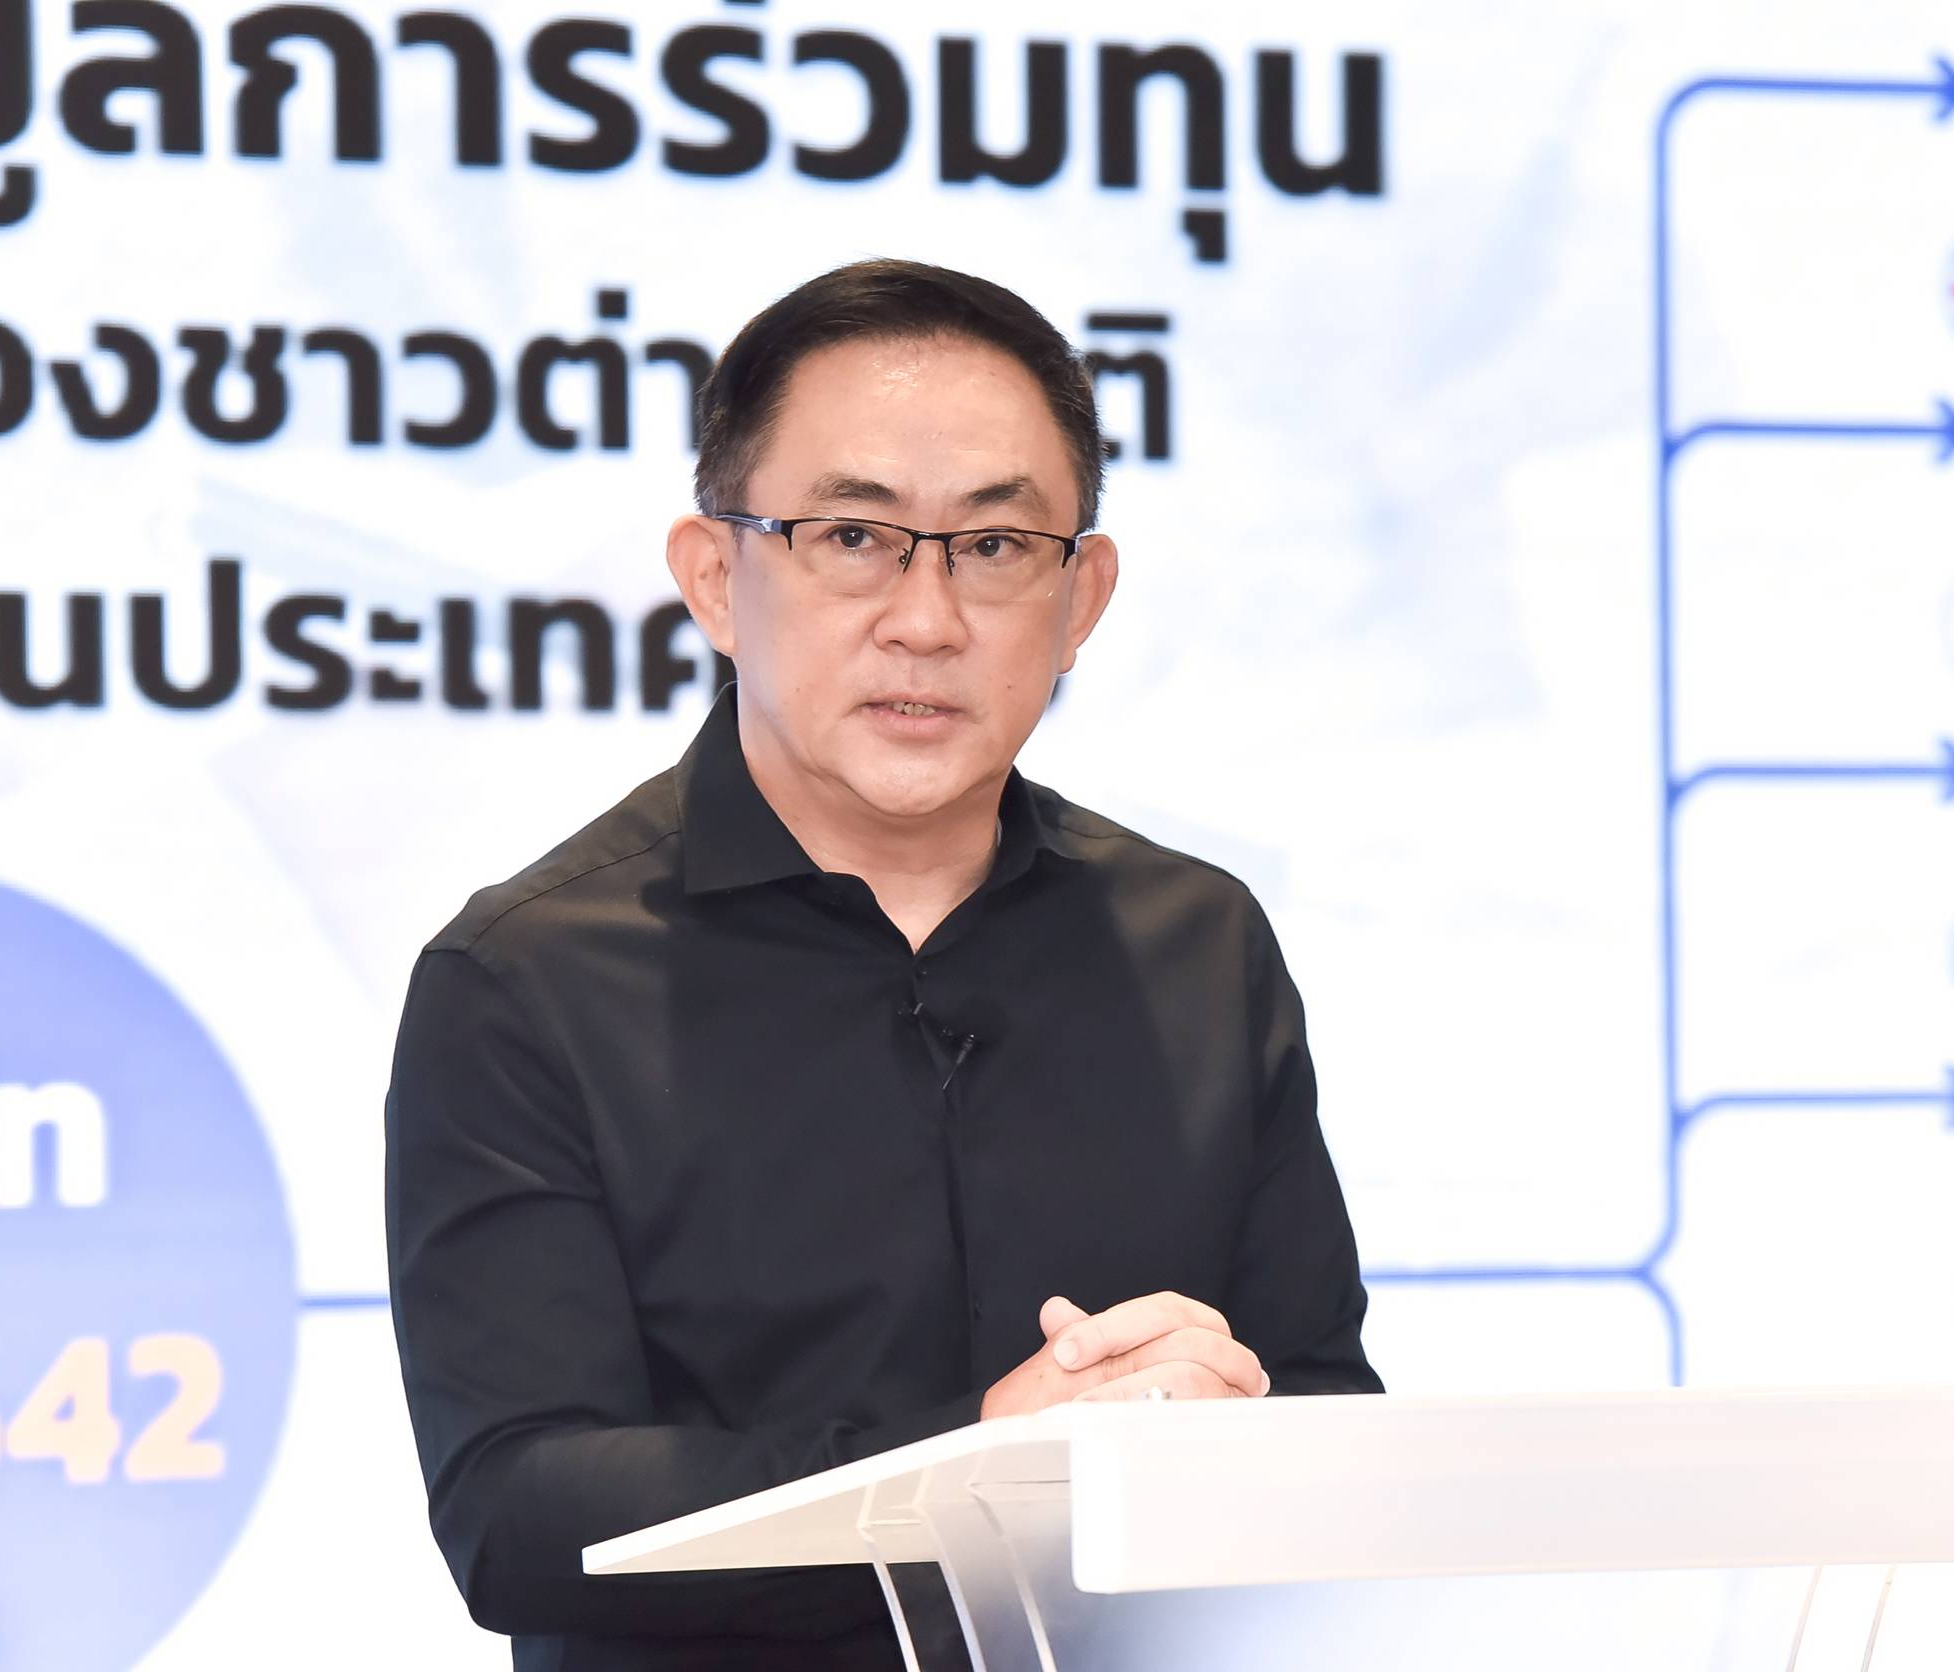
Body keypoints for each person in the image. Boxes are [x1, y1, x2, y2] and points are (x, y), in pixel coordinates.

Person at [383, 258, 1382, 1672]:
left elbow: (1324, 1416)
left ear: (1082, 596)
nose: (927, 619)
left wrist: (1222, 1431)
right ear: (715, 578)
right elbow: (520, 1513)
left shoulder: (1199, 943)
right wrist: (986, 1469)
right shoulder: (527, 977)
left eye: (995, 546)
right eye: (853, 536)